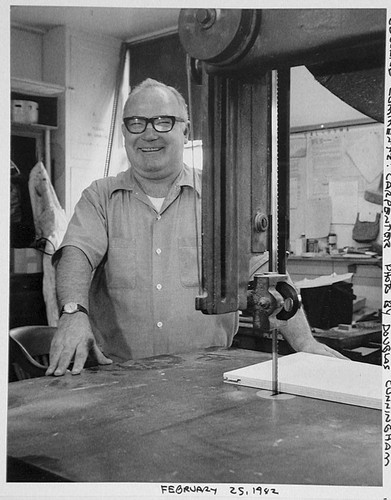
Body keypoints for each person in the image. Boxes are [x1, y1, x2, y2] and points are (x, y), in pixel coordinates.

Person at [46, 78, 345, 377]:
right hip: (120, 377)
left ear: (185, 131)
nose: (149, 134)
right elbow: (76, 254)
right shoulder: (99, 197)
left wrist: (305, 342)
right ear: (124, 132)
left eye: (163, 122)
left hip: (208, 380)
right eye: (136, 123)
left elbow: (267, 274)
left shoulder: (222, 198)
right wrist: (73, 312)